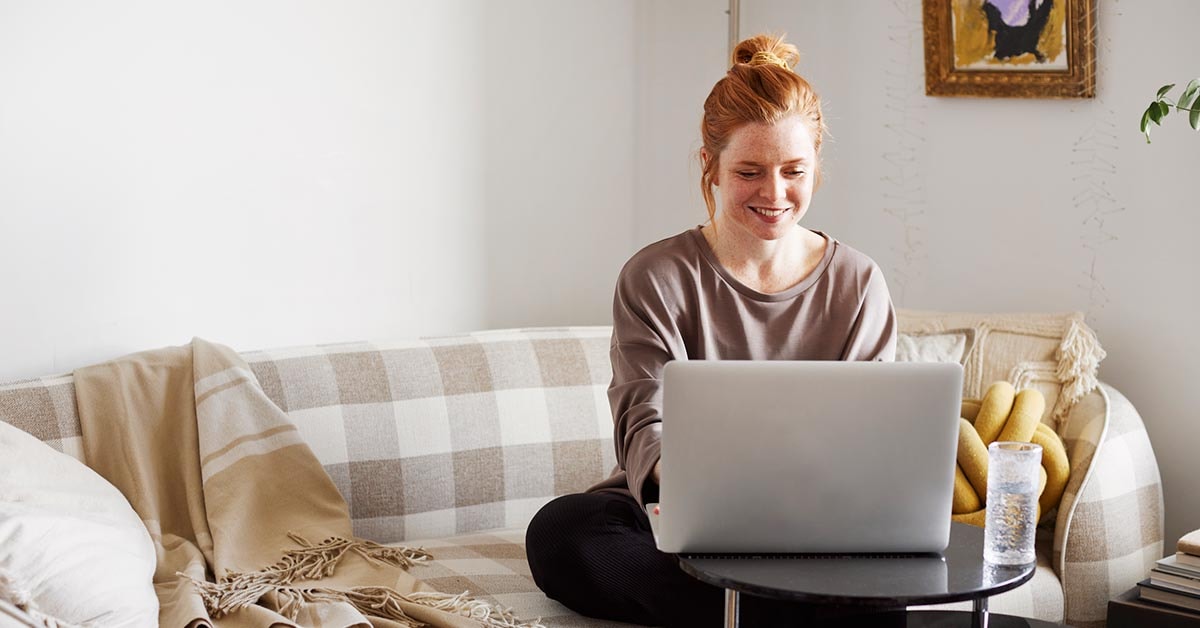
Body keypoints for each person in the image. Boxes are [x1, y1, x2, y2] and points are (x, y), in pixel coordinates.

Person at [524, 33, 898, 628]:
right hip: (675, 514)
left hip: (819, 522)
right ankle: (781, 612)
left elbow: (872, 435)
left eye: (794, 171)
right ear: (711, 166)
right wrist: (712, 492)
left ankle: (748, 607)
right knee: (563, 532)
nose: (774, 194)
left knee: (890, 565)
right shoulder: (657, 275)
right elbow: (643, 423)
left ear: (817, 167)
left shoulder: (858, 281)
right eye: (750, 171)